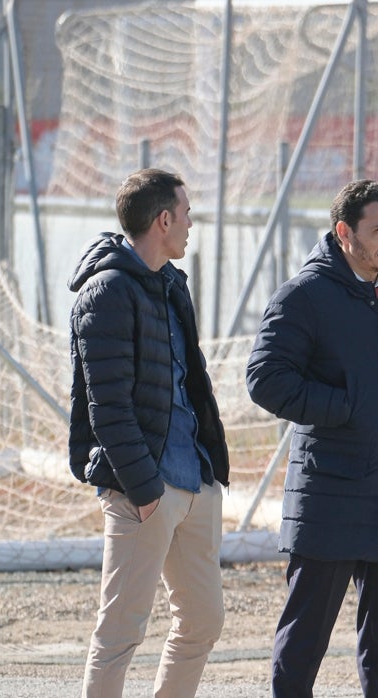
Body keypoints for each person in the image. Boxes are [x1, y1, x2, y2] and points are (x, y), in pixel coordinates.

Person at [246, 179, 378, 698]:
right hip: (329, 494)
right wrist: (346, 408)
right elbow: (264, 378)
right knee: (305, 638)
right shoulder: (304, 296)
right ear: (344, 233)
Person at [68, 168, 230, 698]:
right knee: (119, 633)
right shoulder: (107, 292)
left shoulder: (170, 282)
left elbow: (189, 382)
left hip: (193, 481)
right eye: (186, 214)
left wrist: (209, 469)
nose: (190, 225)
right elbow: (107, 408)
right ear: (163, 219)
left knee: (204, 620)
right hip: (144, 490)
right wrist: (144, 491)